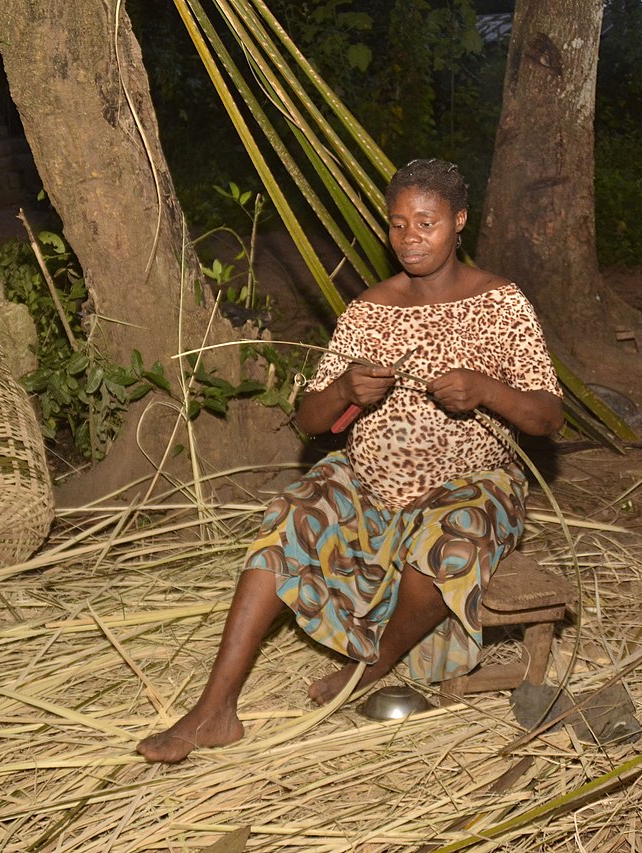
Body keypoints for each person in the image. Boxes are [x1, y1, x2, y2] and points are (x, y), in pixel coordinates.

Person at [137, 158, 564, 764]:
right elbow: (309, 421)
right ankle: (214, 709)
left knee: (451, 538)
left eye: (427, 223)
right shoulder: (369, 311)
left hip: (473, 483)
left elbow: (549, 417)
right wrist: (345, 393)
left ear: (460, 221)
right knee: (289, 515)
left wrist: (487, 390)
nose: (410, 238)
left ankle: (372, 667)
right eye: (397, 224)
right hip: (368, 483)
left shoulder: (502, 304)